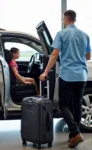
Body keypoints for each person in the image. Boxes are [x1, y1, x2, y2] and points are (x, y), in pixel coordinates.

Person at [40, 10, 91, 148]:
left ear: (66, 19)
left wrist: (45, 72)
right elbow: (88, 57)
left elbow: (54, 55)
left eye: (63, 19)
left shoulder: (61, 34)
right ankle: (74, 135)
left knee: (63, 104)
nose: (63, 21)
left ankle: (75, 131)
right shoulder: (85, 35)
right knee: (77, 104)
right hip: (81, 75)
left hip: (67, 75)